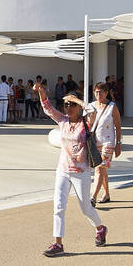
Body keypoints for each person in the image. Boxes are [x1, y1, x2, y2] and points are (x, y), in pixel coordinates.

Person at [39, 84, 108, 256]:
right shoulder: (62, 121)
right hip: (63, 170)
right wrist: (41, 91)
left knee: (85, 208)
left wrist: (76, 98)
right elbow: (48, 108)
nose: (68, 107)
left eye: (72, 104)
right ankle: (58, 243)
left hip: (81, 172)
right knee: (59, 207)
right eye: (66, 104)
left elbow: (92, 110)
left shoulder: (86, 122)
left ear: (78, 106)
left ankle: (100, 228)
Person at [87, 81, 122, 205]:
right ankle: (106, 193)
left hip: (108, 142)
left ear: (106, 93)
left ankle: (93, 197)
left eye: (101, 92)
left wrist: (118, 143)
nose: (98, 94)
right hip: (94, 142)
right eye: (96, 92)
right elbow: (87, 125)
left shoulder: (112, 107)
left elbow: (118, 126)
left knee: (99, 168)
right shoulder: (91, 106)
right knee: (102, 170)